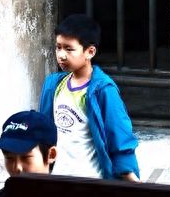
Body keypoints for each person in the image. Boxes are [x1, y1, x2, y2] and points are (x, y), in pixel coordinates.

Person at [35, 12, 141, 182]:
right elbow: (42, 133)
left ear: (90, 52)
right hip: (57, 181)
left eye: (69, 49)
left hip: (91, 184)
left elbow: (119, 137)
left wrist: (131, 180)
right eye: (58, 47)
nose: (61, 55)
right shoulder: (53, 85)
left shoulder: (103, 90)